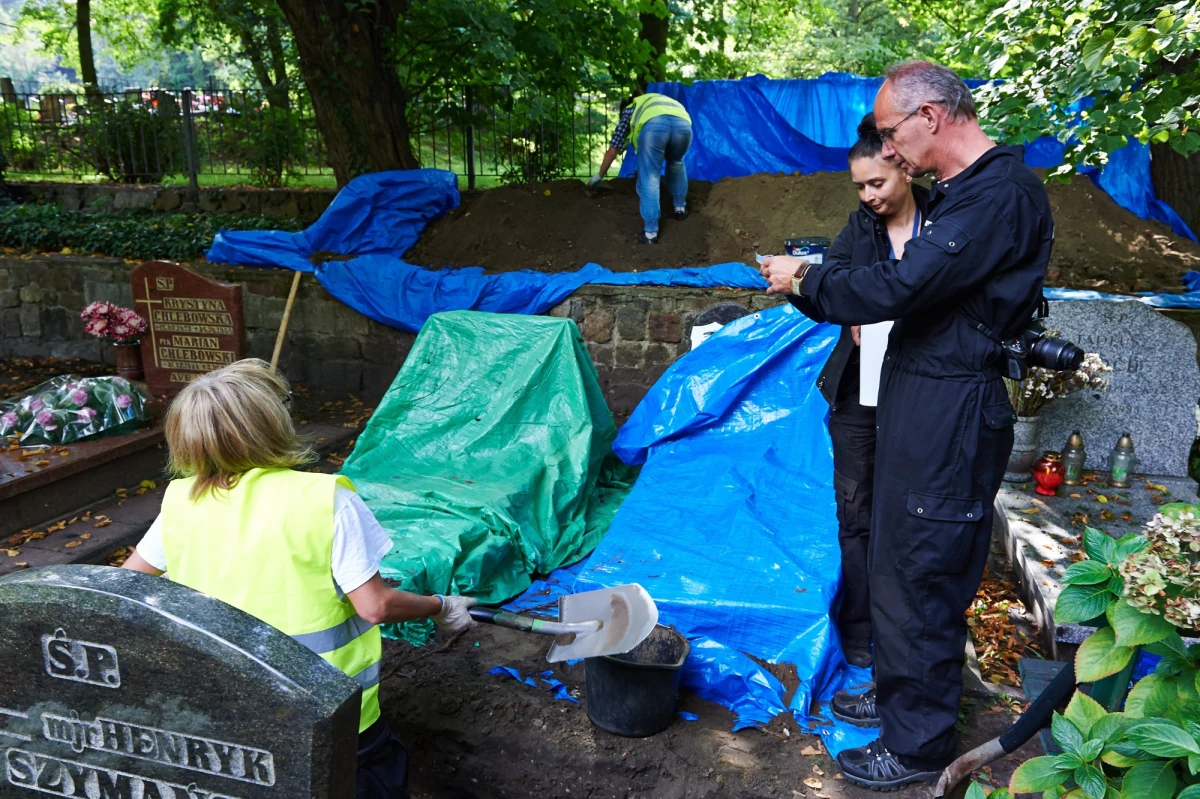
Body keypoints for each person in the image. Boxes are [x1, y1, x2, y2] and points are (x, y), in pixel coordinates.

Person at [760, 61, 1050, 790]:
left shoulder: (999, 194)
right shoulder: (961, 194)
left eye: (892, 134)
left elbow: (901, 285)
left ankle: (917, 743)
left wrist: (805, 279)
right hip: (919, 399)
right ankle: (898, 694)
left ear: (932, 117)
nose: (889, 151)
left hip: (953, 409)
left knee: (922, 565)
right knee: (894, 554)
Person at [122, 359, 477, 799]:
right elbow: (376, 606)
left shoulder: (180, 500)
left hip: (225, 707)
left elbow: (130, 585)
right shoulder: (323, 498)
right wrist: (439, 607)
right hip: (329, 711)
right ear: (272, 423)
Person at [793, 112, 929, 673]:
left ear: (904, 169)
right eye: (860, 187)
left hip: (921, 397)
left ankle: (909, 627)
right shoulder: (859, 229)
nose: (869, 196)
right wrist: (844, 303)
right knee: (856, 513)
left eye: (878, 183)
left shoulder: (943, 222)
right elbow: (836, 287)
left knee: (912, 515)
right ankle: (859, 627)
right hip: (858, 395)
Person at [588, 90, 693, 245]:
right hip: (684, 125)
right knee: (676, 162)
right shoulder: (657, 101)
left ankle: (650, 233)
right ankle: (680, 210)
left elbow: (613, 149)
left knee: (650, 175)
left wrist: (598, 177)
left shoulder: (631, 109)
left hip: (655, 127)